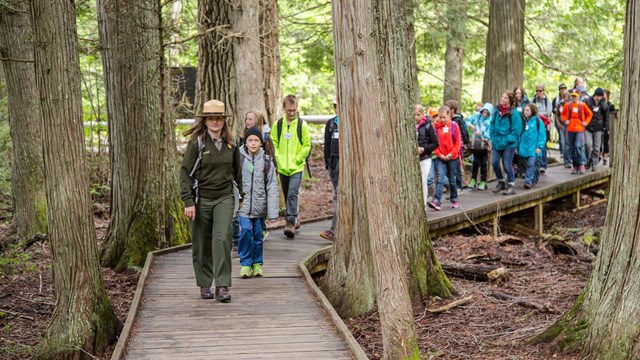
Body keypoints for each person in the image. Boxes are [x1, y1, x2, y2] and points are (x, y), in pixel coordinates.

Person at [180, 99, 242, 302]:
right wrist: (188, 201)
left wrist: (240, 195)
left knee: (222, 239)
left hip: (224, 197)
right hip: (201, 198)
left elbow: (237, 171)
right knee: (202, 242)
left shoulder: (232, 143)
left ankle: (222, 285)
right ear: (205, 120)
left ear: (224, 121)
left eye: (219, 118)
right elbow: (185, 173)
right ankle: (204, 283)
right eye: (211, 118)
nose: (215, 122)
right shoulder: (197, 143)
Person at [237, 128, 279, 278]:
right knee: (246, 232)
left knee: (258, 235)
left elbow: (272, 186)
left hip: (260, 205)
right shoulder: (239, 158)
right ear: (245, 142)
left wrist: (273, 212)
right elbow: (233, 181)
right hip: (243, 206)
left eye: (256, 140)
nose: (253, 143)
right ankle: (245, 263)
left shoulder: (267, 161)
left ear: (261, 142)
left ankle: (257, 263)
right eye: (250, 140)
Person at [271, 95, 311, 239]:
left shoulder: (302, 125)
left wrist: (298, 159)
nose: (292, 113)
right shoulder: (278, 125)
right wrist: (278, 158)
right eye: (289, 110)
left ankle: (290, 223)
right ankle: (296, 217)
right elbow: (274, 142)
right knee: (287, 193)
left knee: (293, 193)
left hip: (296, 167)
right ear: (284, 108)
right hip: (283, 166)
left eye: (294, 110)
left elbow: (307, 145)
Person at [428, 105, 461, 211]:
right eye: (439, 117)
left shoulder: (454, 126)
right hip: (441, 157)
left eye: (443, 117)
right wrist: (440, 154)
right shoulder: (436, 128)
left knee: (452, 180)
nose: (441, 120)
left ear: (448, 115)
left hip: (452, 157)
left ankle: (454, 198)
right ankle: (437, 201)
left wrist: (450, 154)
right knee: (440, 179)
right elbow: (434, 144)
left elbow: (458, 143)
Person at [491, 90, 523, 195]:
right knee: (494, 162)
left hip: (509, 143)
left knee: (507, 164)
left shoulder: (514, 113)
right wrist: (493, 137)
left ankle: (511, 185)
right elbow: (492, 124)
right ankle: (501, 182)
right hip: (497, 142)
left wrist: (507, 139)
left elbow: (516, 131)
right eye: (502, 97)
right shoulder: (497, 111)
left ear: (510, 101)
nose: (502, 99)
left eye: (505, 98)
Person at [320, 97, 340, 241]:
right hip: (333, 161)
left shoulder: (349, 122)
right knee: (338, 193)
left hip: (343, 161)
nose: (336, 108)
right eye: (334, 106)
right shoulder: (331, 123)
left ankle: (334, 229)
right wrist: (327, 161)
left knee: (339, 194)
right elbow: (326, 143)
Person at [561, 90, 593, 174]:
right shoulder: (567, 105)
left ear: (579, 96)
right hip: (570, 128)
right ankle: (575, 165)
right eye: (572, 96)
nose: (574, 97)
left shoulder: (583, 105)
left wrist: (586, 122)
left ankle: (581, 164)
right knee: (571, 148)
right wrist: (565, 120)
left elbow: (590, 114)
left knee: (578, 146)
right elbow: (563, 114)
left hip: (579, 128)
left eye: (575, 96)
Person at [415, 104, 439, 207]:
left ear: (423, 114)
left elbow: (435, 143)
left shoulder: (428, 126)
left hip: (425, 158)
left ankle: (423, 206)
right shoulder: (409, 125)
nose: (416, 117)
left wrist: (423, 149)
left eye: (418, 114)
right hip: (413, 159)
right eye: (414, 115)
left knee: (423, 180)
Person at [519, 104, 546, 189]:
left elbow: (542, 135)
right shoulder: (522, 122)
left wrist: (539, 147)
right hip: (524, 148)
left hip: (534, 148)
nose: (525, 112)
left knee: (531, 164)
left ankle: (528, 181)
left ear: (532, 111)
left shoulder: (538, 121)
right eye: (525, 110)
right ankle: (533, 178)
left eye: (528, 110)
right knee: (528, 165)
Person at [467, 103, 493, 190]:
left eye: (487, 113)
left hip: (484, 144)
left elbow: (490, 133)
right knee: (475, 162)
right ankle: (473, 179)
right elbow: (467, 121)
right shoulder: (477, 116)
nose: (484, 114)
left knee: (483, 162)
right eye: (483, 112)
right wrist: (471, 126)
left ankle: (483, 180)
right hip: (475, 143)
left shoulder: (490, 121)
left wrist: (482, 133)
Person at [445, 100, 468, 194]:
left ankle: (459, 187)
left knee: (457, 167)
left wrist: (465, 142)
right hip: (448, 148)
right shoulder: (446, 120)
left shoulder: (459, 120)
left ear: (452, 110)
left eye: (448, 109)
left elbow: (464, 132)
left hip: (458, 147)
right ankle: (451, 186)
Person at [585, 88, 608, 171]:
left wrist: (606, 127)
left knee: (596, 148)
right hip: (588, 127)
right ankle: (587, 161)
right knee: (588, 144)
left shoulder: (603, 103)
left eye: (600, 96)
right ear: (595, 95)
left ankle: (594, 163)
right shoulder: (588, 102)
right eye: (597, 96)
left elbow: (606, 116)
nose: (599, 98)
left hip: (598, 128)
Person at [532, 85, 552, 173]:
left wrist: (538, 113)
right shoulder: (533, 100)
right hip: (534, 125)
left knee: (543, 144)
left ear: (543, 91)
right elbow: (531, 111)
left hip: (544, 126)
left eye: (540, 91)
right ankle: (536, 164)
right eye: (537, 91)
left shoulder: (548, 101)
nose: (538, 93)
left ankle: (543, 165)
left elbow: (548, 112)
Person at [552, 83, 569, 164]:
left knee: (566, 140)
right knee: (562, 138)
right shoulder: (557, 100)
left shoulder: (570, 103)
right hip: (560, 122)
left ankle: (566, 154)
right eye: (561, 88)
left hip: (568, 124)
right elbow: (555, 112)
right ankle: (562, 153)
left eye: (564, 88)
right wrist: (558, 122)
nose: (563, 90)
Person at [602, 89, 614, 165]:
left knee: (606, 141)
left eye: (604, 94)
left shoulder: (610, 105)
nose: (603, 95)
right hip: (600, 125)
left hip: (607, 125)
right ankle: (599, 156)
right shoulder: (600, 104)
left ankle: (605, 158)